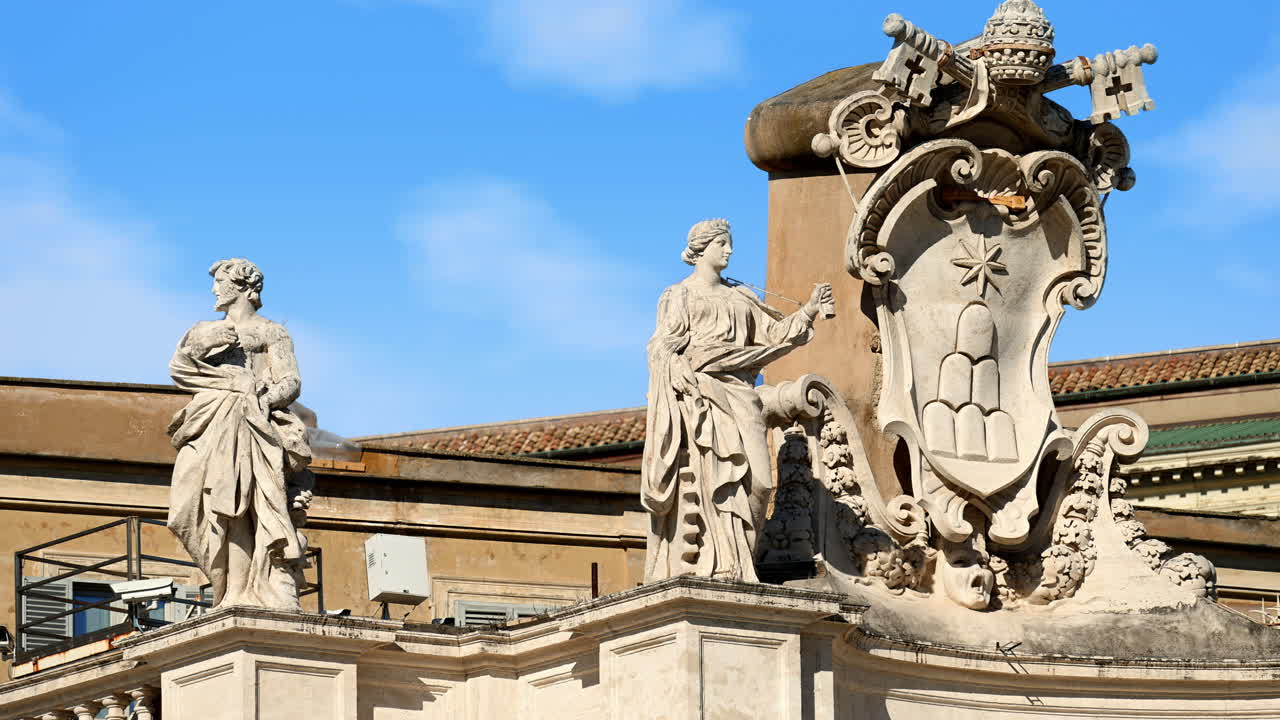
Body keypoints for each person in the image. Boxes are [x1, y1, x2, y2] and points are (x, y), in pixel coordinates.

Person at [642, 219, 833, 582]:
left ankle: (742, 557)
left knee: (760, 482)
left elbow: (774, 335)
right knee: (710, 479)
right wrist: (680, 374)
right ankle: (723, 566)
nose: (729, 251)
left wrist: (808, 309)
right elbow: (661, 348)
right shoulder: (678, 296)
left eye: (729, 244)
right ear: (702, 248)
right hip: (701, 396)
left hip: (742, 393)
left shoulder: (741, 297)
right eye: (722, 244)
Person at [166, 258, 312, 609]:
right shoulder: (203, 330)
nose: (214, 289)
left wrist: (261, 401)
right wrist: (202, 345)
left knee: (239, 508)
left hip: (251, 422)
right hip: (208, 423)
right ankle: (223, 584)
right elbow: (179, 368)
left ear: (243, 286)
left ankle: (240, 591)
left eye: (220, 281)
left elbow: (290, 381)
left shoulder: (270, 331)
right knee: (184, 510)